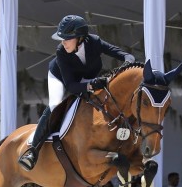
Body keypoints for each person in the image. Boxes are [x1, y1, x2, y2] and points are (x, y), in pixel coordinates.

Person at [18, 14, 135, 171]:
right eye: (62, 39)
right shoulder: (61, 52)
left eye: (67, 38)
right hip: (61, 78)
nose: (63, 42)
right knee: (55, 104)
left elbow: (124, 54)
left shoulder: (94, 42)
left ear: (80, 38)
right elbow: (71, 86)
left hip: (86, 79)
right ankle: (32, 151)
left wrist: (128, 60)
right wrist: (91, 86)